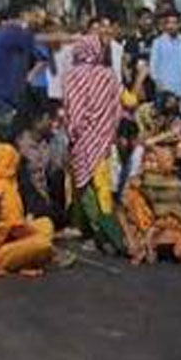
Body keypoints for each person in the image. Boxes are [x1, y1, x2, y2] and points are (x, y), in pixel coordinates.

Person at [62, 34, 125, 252]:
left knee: (84, 186)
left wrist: (72, 133)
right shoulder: (108, 75)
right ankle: (110, 233)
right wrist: (108, 129)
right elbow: (118, 107)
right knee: (103, 185)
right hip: (104, 138)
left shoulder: (72, 76)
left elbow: (73, 111)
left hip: (82, 140)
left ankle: (102, 233)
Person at [0, 142, 57, 273]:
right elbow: (15, 229)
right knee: (43, 244)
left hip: (10, 236)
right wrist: (34, 236)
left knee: (46, 223)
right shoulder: (0, 188)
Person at [149, 9, 181, 100]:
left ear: (179, 24)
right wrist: (159, 85)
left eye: (174, 23)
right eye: (168, 23)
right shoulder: (158, 42)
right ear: (165, 25)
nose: (171, 26)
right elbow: (153, 66)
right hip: (164, 89)